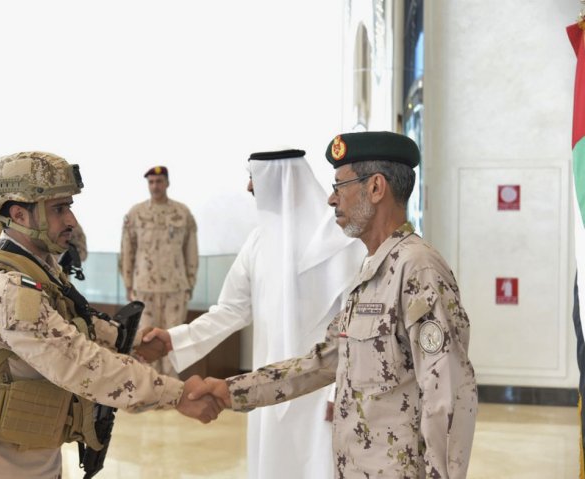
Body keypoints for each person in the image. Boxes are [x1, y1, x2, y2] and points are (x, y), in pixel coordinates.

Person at [191, 132, 478, 479]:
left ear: (375, 188)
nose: (331, 199)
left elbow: (448, 393)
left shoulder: (418, 269)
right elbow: (324, 361)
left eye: (341, 186)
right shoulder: (372, 270)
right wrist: (230, 390)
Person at [0, 151, 220, 478]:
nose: (71, 221)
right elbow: (83, 364)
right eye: (58, 209)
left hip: (31, 455)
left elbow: (75, 320)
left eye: (69, 207)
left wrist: (134, 341)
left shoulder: (38, 272)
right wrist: (176, 394)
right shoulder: (8, 290)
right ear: (20, 214)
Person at [137, 149, 366, 479]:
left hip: (322, 389)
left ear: (280, 182)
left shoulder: (343, 243)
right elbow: (231, 309)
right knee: (273, 463)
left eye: (254, 178)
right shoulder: (258, 241)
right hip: (266, 383)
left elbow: (353, 330)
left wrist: (338, 391)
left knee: (320, 464)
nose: (248, 188)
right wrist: (173, 339)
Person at [119, 165, 198, 377]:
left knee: (174, 338)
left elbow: (191, 249)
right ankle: (151, 389)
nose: (155, 186)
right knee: (146, 339)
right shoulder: (136, 214)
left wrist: (190, 281)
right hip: (144, 286)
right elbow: (127, 250)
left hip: (175, 286)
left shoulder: (182, 213)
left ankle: (172, 389)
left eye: (159, 181)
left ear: (167, 183)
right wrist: (128, 283)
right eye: (151, 182)